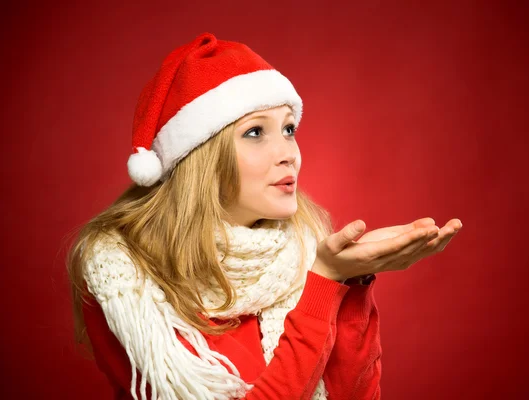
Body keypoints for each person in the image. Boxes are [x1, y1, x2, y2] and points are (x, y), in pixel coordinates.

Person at [66, 32, 462, 400]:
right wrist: (323, 282)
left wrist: (351, 281)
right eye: (256, 132)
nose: (289, 152)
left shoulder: (303, 250)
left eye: (289, 129)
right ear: (199, 157)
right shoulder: (122, 274)